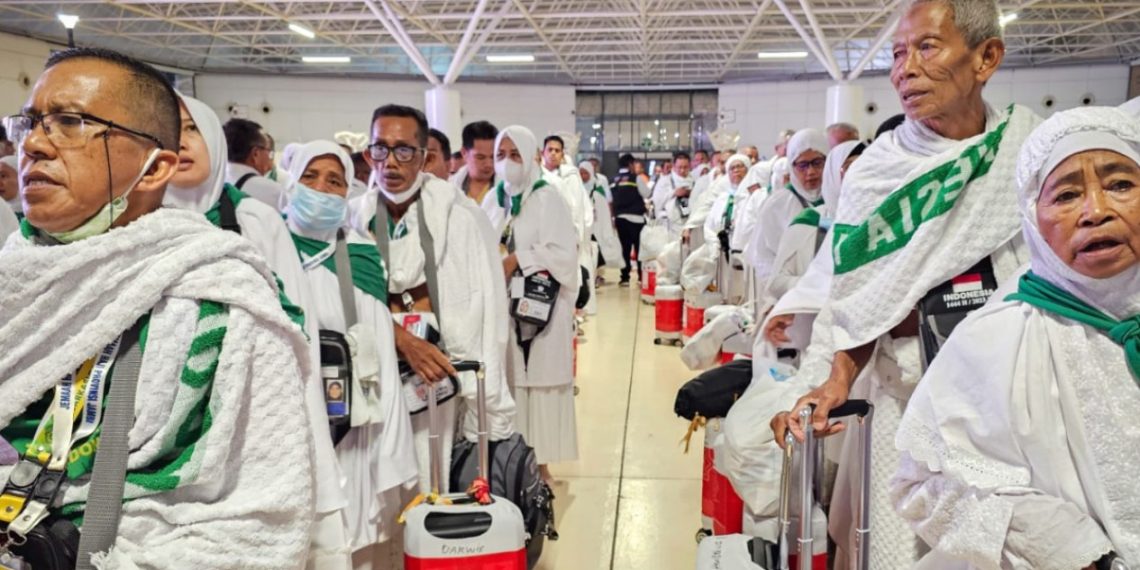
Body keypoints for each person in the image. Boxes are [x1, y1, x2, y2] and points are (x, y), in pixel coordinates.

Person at [0, 47, 315, 566]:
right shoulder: (14, 274)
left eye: (71, 122)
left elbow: (261, 517)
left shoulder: (222, 296)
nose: (33, 144)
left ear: (154, 168)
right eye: (30, 122)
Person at [771, 0, 1042, 565]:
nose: (905, 70)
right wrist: (834, 378)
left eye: (926, 48)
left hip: (1012, 408)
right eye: (897, 54)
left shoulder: (1027, 152)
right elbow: (857, 295)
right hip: (907, 406)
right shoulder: (877, 172)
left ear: (986, 57)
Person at [892, 106, 1140, 570]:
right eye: (1066, 195)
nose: (1096, 211)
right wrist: (1059, 543)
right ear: (1032, 216)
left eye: (1121, 185)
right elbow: (922, 487)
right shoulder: (996, 339)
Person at [165, 94, 350, 568]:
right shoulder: (131, 221)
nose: (180, 142)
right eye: (167, 128)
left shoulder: (253, 219)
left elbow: (298, 337)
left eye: (191, 128)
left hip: (256, 421)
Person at [351, 104, 516, 493]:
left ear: (424, 157)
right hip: (374, 370)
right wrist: (398, 339)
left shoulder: (460, 219)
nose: (391, 162)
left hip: (437, 374)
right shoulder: (355, 219)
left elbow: (486, 305)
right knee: (377, 482)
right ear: (368, 155)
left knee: (432, 477)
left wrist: (482, 387)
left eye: (404, 150)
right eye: (380, 149)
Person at [281, 140, 417, 567]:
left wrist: (390, 439)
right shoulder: (267, 245)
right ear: (292, 182)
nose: (321, 189)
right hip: (284, 415)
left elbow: (380, 353)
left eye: (334, 181)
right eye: (310, 177)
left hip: (350, 419)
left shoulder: (360, 254)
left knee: (348, 534)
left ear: (348, 191)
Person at [496, 125, 579, 483]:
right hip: (506, 305)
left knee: (542, 383)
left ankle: (542, 466)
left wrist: (519, 258)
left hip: (542, 307)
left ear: (531, 157)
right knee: (514, 381)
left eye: (515, 154)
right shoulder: (498, 199)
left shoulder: (547, 197)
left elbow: (564, 254)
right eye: (501, 155)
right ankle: (516, 462)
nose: (507, 163)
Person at [766, 141, 865, 305]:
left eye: (865, 166)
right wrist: (821, 285)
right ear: (832, 173)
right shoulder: (810, 221)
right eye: (849, 167)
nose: (859, 174)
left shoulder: (881, 219)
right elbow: (777, 283)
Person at [744, 128, 829, 299]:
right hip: (789, 297)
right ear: (791, 166)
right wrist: (788, 290)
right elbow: (762, 258)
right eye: (802, 165)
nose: (811, 172)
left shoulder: (836, 198)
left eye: (817, 162)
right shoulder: (778, 204)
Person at [541, 134, 592, 298]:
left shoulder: (570, 176)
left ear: (562, 154)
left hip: (564, 236)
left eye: (557, 151)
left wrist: (577, 237)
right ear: (543, 152)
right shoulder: (536, 175)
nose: (553, 153)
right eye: (550, 150)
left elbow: (576, 209)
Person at [222, 117, 287, 209]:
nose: (269, 157)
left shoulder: (211, 186)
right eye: (268, 151)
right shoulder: (273, 192)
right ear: (255, 154)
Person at [612, 153, 652, 286]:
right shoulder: (636, 178)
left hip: (620, 218)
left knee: (625, 248)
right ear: (630, 164)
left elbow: (610, 199)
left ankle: (624, 277)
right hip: (636, 219)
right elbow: (647, 193)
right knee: (639, 248)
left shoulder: (614, 180)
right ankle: (641, 277)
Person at [449, 120, 498, 210]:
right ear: (464, 153)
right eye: (480, 157)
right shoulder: (450, 187)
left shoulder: (508, 190)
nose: (489, 164)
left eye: (493, 157)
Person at [651, 151, 695, 236]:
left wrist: (692, 194)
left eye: (685, 167)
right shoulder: (664, 181)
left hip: (690, 223)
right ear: (674, 166)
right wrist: (674, 193)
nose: (682, 170)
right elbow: (657, 201)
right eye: (679, 167)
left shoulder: (694, 180)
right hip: (670, 225)